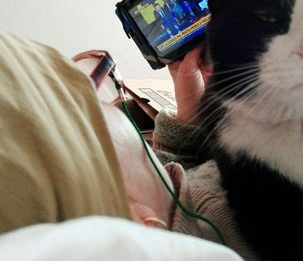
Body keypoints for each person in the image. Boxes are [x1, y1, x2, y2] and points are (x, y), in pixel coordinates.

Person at [0, 31, 258, 261]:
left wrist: (187, 123)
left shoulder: (178, 218)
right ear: (144, 227)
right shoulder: (242, 221)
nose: (110, 100)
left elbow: (171, 191)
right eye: (94, 102)